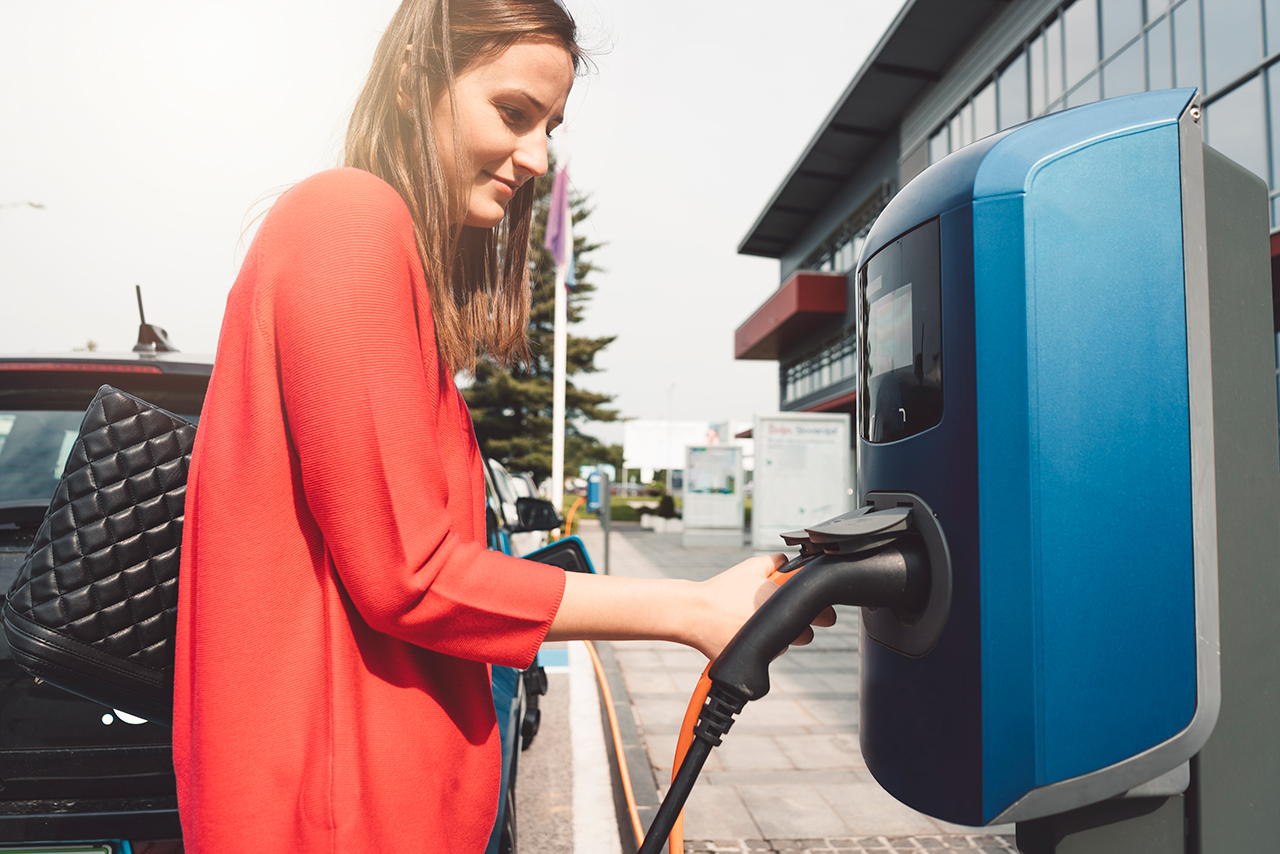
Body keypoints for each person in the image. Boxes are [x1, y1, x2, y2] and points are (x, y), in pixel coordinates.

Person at [173, 0, 832, 850]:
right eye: (513, 112)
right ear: (414, 83)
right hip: (339, 819)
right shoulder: (347, 215)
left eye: (550, 126)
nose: (538, 157)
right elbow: (410, 573)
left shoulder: (382, 252)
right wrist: (692, 607)